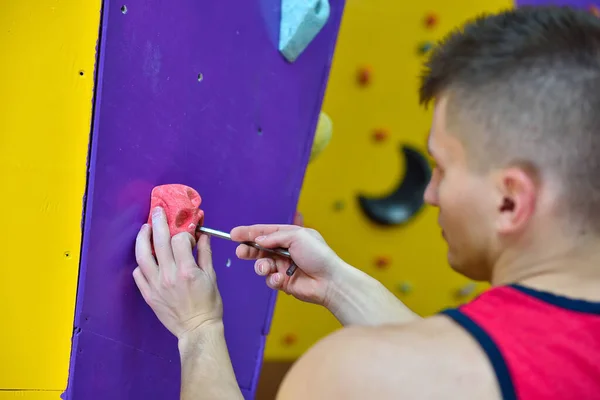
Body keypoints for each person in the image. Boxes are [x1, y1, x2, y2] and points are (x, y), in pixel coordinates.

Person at [132, 6, 600, 400]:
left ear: (509, 200)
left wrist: (198, 330)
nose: (430, 193)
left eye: (441, 168)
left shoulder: (356, 376)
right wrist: (339, 286)